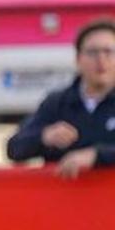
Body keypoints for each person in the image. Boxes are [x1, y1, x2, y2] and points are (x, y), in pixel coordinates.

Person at [7, 18, 115, 179]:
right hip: (63, 199)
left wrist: (97, 156)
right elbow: (14, 148)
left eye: (108, 52)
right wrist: (44, 136)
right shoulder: (57, 103)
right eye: (92, 52)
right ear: (78, 59)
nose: (101, 60)